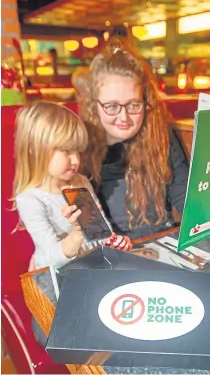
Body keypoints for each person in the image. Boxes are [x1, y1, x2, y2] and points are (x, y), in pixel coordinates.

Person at [64, 41, 210, 245]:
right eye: (111, 106)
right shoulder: (78, 146)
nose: (124, 117)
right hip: (112, 248)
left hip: (163, 241)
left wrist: (209, 225)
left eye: (133, 105)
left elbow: (182, 193)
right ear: (95, 104)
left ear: (146, 101)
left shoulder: (161, 135)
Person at [12, 101, 132, 272]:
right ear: (35, 149)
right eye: (66, 151)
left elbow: (100, 230)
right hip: (54, 276)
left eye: (77, 151)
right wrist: (78, 233)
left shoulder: (81, 181)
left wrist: (112, 240)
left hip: (88, 266)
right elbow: (51, 257)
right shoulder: (30, 199)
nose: (76, 160)